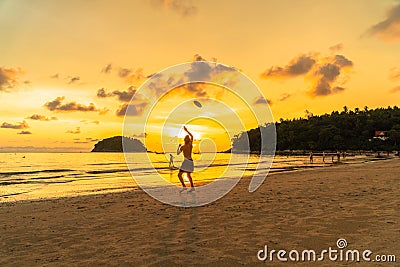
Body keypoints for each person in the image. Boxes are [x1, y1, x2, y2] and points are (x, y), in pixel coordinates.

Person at [177, 126, 195, 192]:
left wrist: (178, 147)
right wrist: (187, 131)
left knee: (180, 175)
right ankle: (192, 187)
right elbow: (192, 136)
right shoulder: (188, 145)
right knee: (188, 175)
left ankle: (185, 186)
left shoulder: (184, 146)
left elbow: (178, 153)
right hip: (190, 161)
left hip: (187, 162)